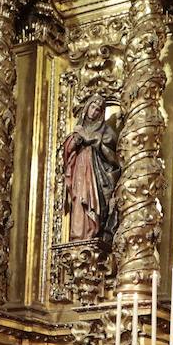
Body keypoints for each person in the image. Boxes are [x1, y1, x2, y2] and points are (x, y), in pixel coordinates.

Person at [63, 93, 121, 243]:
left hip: (95, 173)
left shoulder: (106, 131)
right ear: (87, 107)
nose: (93, 111)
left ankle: (91, 232)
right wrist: (74, 141)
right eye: (92, 107)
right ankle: (78, 236)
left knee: (91, 200)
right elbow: (67, 150)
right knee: (78, 199)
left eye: (97, 109)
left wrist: (90, 138)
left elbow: (110, 150)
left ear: (101, 113)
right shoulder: (79, 127)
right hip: (80, 171)